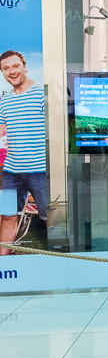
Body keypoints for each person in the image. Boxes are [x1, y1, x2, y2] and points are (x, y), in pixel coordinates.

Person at [0, 50, 48, 248]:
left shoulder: (42, 94)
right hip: (11, 172)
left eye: (15, 66)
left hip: (40, 171)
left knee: (48, 217)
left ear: (24, 67)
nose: (11, 71)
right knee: (7, 217)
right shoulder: (4, 100)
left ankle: (57, 260)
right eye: (6, 68)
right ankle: (4, 262)